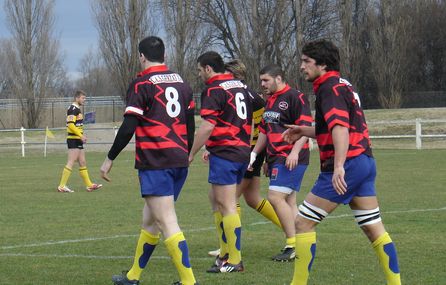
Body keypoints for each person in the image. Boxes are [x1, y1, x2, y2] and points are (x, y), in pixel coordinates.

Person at [282, 39, 401, 285]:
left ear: (322, 64)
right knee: (373, 228)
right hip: (364, 161)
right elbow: (332, 126)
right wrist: (304, 130)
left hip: (348, 164)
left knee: (302, 223)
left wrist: (338, 167)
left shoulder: (328, 88)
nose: (301, 66)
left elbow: (340, 128)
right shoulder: (342, 85)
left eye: (306, 61)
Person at [100, 36, 198, 285]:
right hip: (178, 160)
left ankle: (189, 282)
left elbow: (129, 125)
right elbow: (190, 123)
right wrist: (187, 151)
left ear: (142, 56)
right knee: (150, 221)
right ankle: (133, 277)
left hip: (156, 161)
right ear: (164, 55)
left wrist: (110, 157)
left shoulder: (141, 84)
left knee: (166, 221)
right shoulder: (182, 82)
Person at [206, 60, 283, 259]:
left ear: (233, 75)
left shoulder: (245, 96)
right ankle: (292, 228)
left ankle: (230, 248)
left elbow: (254, 128)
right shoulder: (250, 95)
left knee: (226, 198)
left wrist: (252, 153)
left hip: (246, 152)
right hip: (248, 152)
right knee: (253, 198)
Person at [189, 51, 252, 273]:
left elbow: (207, 125)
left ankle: (234, 260)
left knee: (226, 205)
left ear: (208, 68)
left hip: (227, 152)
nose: (199, 74)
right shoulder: (239, 86)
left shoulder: (213, 89)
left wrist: (191, 152)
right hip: (241, 150)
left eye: (199, 70)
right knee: (216, 200)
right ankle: (225, 253)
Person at [249, 64, 312, 262]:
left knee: (275, 197)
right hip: (276, 157)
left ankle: (292, 244)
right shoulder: (270, 101)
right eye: (261, 81)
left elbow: (305, 127)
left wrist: (294, 152)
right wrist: (258, 156)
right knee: (289, 201)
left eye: (266, 80)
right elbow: (266, 131)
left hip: (291, 156)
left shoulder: (295, 97)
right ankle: (300, 243)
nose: (262, 84)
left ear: (278, 78)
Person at [57, 90, 102, 193]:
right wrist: (80, 135)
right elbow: (71, 125)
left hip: (77, 139)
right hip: (73, 139)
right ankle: (62, 185)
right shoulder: (73, 109)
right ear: (77, 98)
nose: (84, 100)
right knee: (71, 161)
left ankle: (89, 185)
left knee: (82, 162)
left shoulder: (77, 109)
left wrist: (80, 136)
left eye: (85, 98)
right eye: (82, 98)